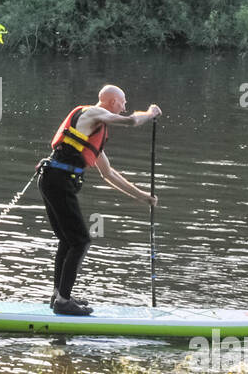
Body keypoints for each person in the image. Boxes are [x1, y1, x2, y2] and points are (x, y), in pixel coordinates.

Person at [38, 85, 160, 315]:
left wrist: (144, 197)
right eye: (123, 102)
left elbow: (108, 174)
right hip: (58, 181)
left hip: (53, 180)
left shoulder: (91, 132)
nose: (124, 107)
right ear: (112, 102)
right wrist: (151, 113)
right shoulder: (93, 113)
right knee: (81, 240)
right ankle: (63, 301)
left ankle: (59, 296)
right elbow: (132, 121)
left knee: (68, 240)